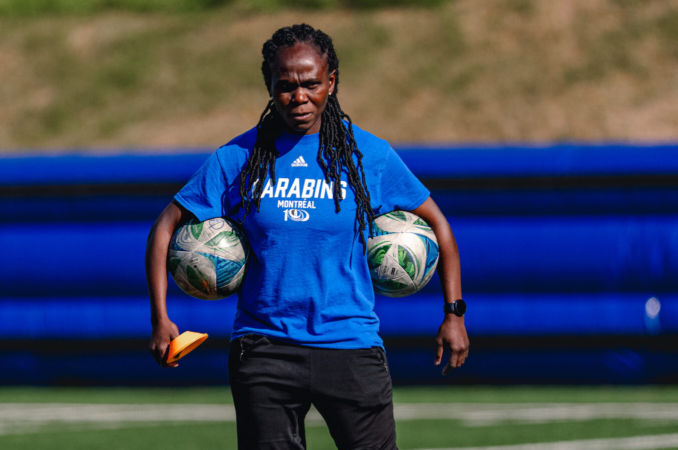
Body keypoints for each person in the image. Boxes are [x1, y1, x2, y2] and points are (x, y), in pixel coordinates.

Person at [144, 23, 468, 450]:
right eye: (285, 86)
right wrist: (160, 317)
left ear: (331, 82)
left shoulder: (368, 155)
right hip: (264, 350)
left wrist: (453, 313)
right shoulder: (236, 159)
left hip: (350, 346)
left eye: (311, 84)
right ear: (269, 86)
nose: (299, 97)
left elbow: (439, 226)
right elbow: (164, 227)